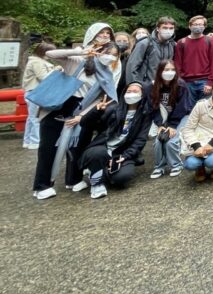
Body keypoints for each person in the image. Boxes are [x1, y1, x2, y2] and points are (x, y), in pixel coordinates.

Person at [41, 27, 122, 194]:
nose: (110, 56)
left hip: (85, 110)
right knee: (49, 147)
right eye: (101, 33)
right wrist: (80, 52)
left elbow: (104, 97)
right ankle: (42, 185)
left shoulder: (107, 71)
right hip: (60, 105)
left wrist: (82, 116)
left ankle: (74, 179)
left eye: (114, 54)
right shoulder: (77, 60)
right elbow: (50, 55)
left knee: (78, 144)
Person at [77, 81, 150, 199]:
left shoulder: (145, 114)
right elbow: (85, 123)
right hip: (102, 147)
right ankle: (97, 184)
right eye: (128, 91)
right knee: (98, 154)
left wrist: (125, 156)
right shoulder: (113, 109)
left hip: (121, 152)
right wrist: (96, 111)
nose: (131, 94)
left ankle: (98, 170)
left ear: (142, 95)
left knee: (122, 178)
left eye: (135, 92)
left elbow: (140, 140)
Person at [149, 60, 193, 179]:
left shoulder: (181, 85)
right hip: (163, 118)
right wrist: (159, 124)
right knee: (158, 141)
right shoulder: (154, 86)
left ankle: (176, 165)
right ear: (160, 72)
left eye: (172, 70)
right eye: (166, 70)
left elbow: (182, 108)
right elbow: (153, 107)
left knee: (171, 140)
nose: (170, 72)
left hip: (181, 117)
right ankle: (159, 166)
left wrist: (172, 126)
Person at [174, 15, 213, 105]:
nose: (198, 26)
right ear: (190, 26)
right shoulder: (181, 42)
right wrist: (179, 81)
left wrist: (210, 82)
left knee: (205, 109)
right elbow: (177, 64)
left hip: (205, 81)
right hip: (187, 82)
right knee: (188, 110)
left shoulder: (210, 40)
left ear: (205, 26)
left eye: (200, 24)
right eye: (195, 24)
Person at [22, 42, 55, 150]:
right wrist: (56, 70)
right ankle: (35, 141)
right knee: (35, 118)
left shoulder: (35, 61)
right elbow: (43, 77)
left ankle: (28, 141)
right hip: (35, 92)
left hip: (32, 92)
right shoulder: (37, 62)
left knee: (31, 118)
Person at [125, 16, 176, 85]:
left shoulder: (172, 45)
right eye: (165, 28)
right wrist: (134, 84)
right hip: (145, 85)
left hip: (163, 85)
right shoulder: (145, 43)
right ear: (158, 29)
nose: (168, 30)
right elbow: (132, 66)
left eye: (171, 28)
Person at [114, 32, 132, 99]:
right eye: (118, 41)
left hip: (126, 86)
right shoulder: (109, 57)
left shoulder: (131, 56)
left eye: (125, 41)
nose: (122, 43)